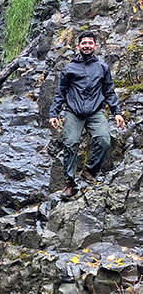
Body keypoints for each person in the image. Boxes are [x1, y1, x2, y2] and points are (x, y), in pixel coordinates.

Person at [48, 31, 125, 200]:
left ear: (95, 46)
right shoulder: (69, 68)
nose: (87, 45)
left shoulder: (102, 67)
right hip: (73, 112)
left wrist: (117, 112)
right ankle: (69, 183)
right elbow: (60, 92)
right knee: (70, 143)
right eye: (84, 43)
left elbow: (109, 92)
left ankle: (89, 170)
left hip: (95, 111)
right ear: (78, 46)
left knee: (104, 139)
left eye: (90, 43)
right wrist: (53, 113)